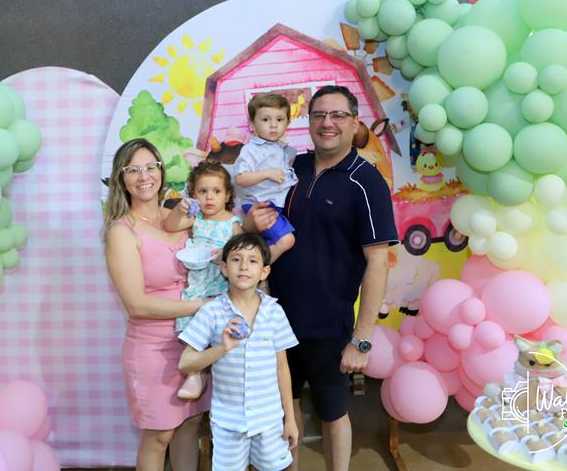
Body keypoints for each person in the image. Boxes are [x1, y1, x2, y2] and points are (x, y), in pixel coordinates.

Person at [245, 85, 398, 471]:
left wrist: (361, 340)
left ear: (354, 123)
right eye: (319, 115)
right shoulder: (291, 168)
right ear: (309, 121)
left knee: (333, 413)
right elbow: (257, 221)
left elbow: (378, 263)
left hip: (329, 327)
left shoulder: (367, 182)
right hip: (275, 319)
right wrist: (248, 224)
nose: (327, 123)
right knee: (286, 409)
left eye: (338, 115)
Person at [103, 138, 209, 471]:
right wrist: (203, 307)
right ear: (121, 179)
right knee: (160, 436)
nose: (144, 176)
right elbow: (137, 305)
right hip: (154, 350)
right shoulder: (121, 232)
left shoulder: (180, 217)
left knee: (190, 425)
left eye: (151, 167)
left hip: (195, 343)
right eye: (133, 170)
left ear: (162, 171)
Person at [178, 233, 299, 471]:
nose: (244, 266)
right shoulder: (211, 311)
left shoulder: (275, 312)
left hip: (269, 420)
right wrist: (222, 348)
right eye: (236, 259)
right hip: (227, 423)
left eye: (253, 261)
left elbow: (282, 368)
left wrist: (290, 419)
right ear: (224, 268)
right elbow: (185, 363)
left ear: (264, 271)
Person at [164, 159, 243, 400]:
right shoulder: (196, 218)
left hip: (219, 284)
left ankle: (214, 373)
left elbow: (241, 254)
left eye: (216, 191)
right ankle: (196, 373)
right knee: (191, 326)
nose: (209, 197)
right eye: (202, 191)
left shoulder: (232, 223)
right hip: (197, 283)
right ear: (193, 194)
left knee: (216, 327)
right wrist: (181, 210)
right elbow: (170, 225)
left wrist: (224, 256)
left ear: (227, 195)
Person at [234, 93, 298, 263]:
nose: (273, 125)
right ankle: (259, 267)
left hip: (274, 205)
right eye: (265, 120)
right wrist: (266, 173)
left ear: (288, 123)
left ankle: (255, 261)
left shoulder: (283, 149)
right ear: (252, 123)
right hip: (259, 205)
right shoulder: (251, 150)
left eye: (279, 119)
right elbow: (240, 178)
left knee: (266, 241)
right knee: (287, 240)